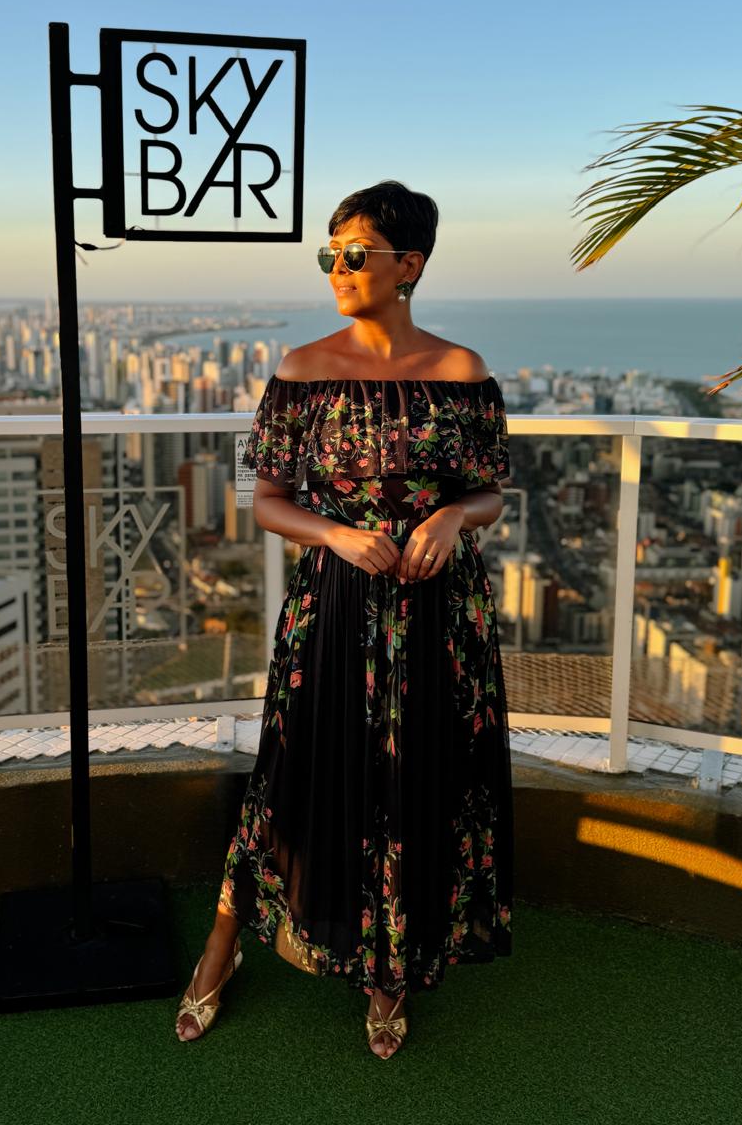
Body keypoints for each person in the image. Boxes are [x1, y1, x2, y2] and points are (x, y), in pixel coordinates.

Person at [175, 179, 514, 1059]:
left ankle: (388, 969)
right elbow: (267, 502)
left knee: (418, 780)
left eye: (355, 254)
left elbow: (489, 492)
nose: (337, 269)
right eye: (329, 254)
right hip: (333, 606)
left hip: (440, 614)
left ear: (410, 265)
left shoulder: (462, 372)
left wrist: (451, 516)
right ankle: (223, 942)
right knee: (292, 770)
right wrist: (337, 534)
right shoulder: (302, 370)